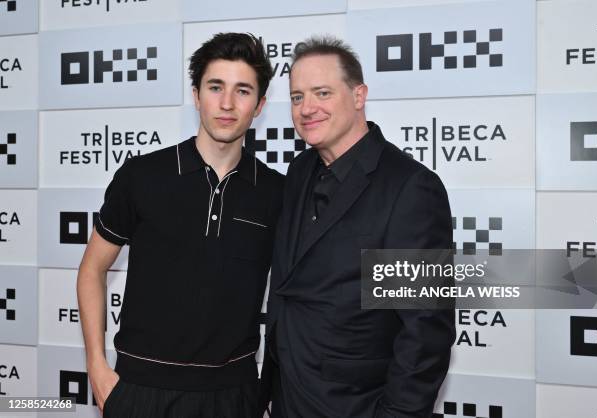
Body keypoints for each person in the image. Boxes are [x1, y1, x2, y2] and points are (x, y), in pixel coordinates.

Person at [77, 32, 283, 418]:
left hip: (234, 396)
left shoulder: (275, 192)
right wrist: (97, 367)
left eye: (242, 91)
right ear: (196, 94)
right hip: (141, 392)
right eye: (215, 87)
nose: (226, 103)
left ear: (260, 105)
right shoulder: (143, 176)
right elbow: (92, 268)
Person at [262, 36, 455, 417]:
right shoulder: (299, 172)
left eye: (322, 93)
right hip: (287, 401)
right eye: (297, 97)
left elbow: (425, 330)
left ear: (358, 95)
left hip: (359, 407)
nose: (307, 108)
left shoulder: (409, 188)